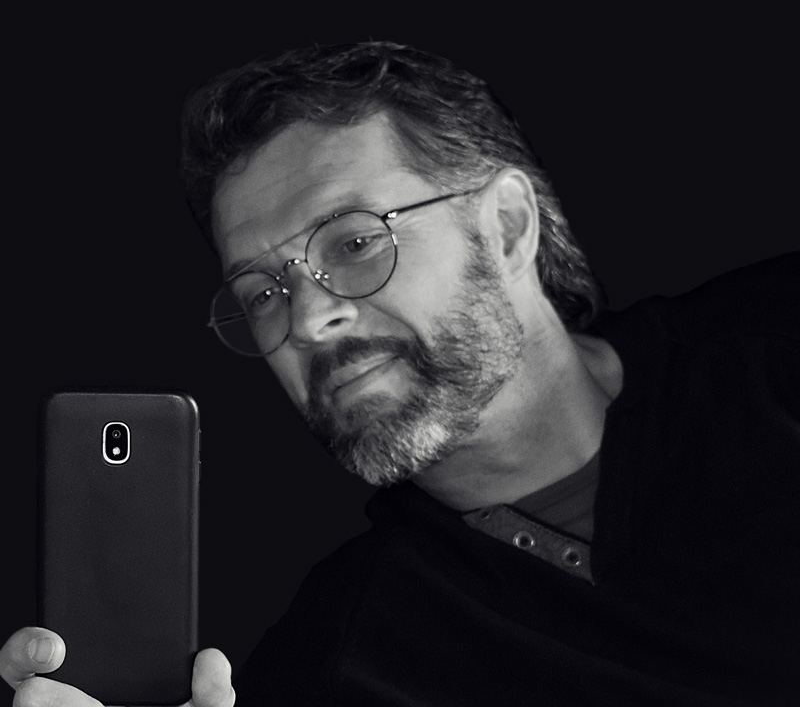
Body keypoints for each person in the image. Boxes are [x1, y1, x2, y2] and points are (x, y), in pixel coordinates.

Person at [3, 41, 797, 706]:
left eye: (354, 243)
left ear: (507, 226)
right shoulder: (340, 664)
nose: (307, 323)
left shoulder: (772, 351)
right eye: (262, 293)